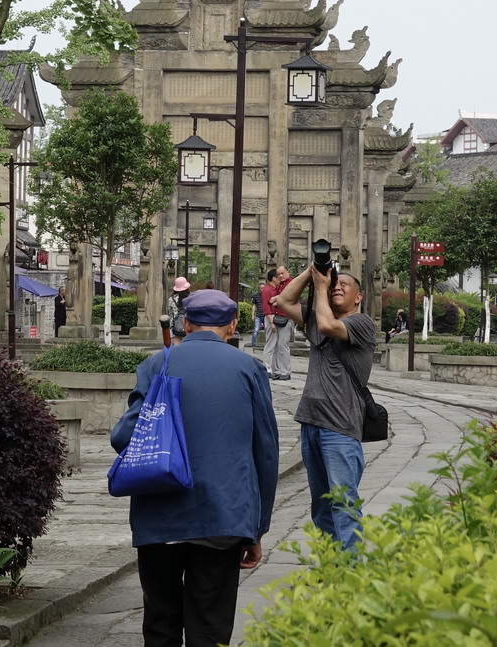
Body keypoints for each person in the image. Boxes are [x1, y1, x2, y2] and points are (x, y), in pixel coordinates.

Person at [111, 288, 279, 647]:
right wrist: (257, 528)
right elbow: (265, 452)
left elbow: (123, 437)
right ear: (232, 326)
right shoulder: (249, 368)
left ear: (186, 324)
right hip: (223, 514)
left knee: (160, 623)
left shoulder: (157, 364)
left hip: (160, 515)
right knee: (210, 625)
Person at [277, 264, 376, 551]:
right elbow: (284, 301)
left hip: (340, 428)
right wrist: (311, 273)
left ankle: (350, 570)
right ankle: (330, 566)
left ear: (359, 297)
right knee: (321, 506)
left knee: (343, 504)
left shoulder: (362, 323)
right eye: (335, 284)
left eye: (345, 284)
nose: (337, 287)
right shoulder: (318, 317)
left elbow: (328, 326)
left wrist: (322, 288)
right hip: (310, 423)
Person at [262, 264, 292, 380]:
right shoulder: (271, 288)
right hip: (274, 318)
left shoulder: (290, 283)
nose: (280, 276)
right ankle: (272, 369)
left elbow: (288, 296)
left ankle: (282, 371)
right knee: (273, 345)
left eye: (282, 273)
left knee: (281, 345)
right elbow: (266, 307)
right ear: (274, 278)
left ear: (288, 272)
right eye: (278, 274)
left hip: (284, 317)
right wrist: (271, 321)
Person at [168, 276, 190, 342]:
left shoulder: (171, 299)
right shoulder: (191, 298)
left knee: (176, 346)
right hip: (189, 327)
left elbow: (170, 314)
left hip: (175, 328)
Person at [250, 280, 265, 348]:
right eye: (261, 288)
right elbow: (254, 306)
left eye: (264, 288)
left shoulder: (267, 295)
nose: (262, 289)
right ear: (258, 289)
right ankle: (253, 344)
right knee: (256, 330)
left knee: (269, 330)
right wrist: (253, 315)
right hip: (258, 315)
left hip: (266, 315)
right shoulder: (255, 296)